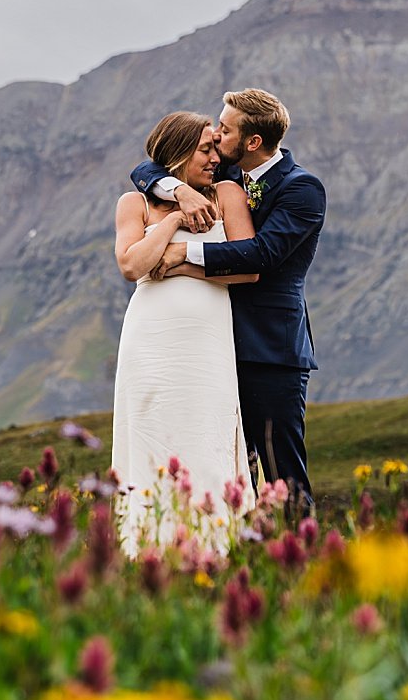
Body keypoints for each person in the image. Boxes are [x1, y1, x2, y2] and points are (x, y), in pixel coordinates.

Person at [131, 88, 325, 514]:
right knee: (228, 469)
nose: (216, 136)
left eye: (225, 129)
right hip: (214, 351)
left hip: (271, 353)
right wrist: (179, 192)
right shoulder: (229, 178)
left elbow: (261, 256)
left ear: (252, 142)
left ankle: (303, 563)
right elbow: (145, 169)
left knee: (282, 476)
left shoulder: (303, 189)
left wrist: (182, 256)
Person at [111, 112, 259, 556]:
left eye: (217, 146)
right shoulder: (133, 204)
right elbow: (132, 266)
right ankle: (148, 550)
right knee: (150, 432)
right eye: (206, 148)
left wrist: (177, 261)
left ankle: (213, 547)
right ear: (177, 151)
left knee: (204, 431)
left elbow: (248, 268)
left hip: (206, 342)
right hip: (149, 340)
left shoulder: (228, 193)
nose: (217, 157)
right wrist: (175, 219)